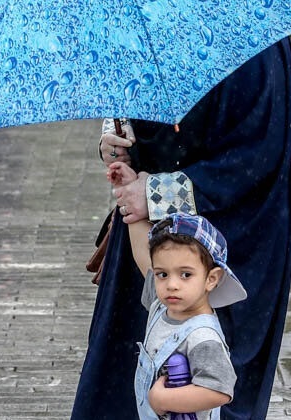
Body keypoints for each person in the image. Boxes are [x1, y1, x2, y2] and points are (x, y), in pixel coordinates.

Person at [73, 34, 291, 420]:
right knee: (123, 377)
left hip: (223, 241)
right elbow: (138, 110)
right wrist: (115, 141)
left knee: (205, 378)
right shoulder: (150, 18)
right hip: (144, 240)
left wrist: (156, 192)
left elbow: (257, 154)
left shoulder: (253, 39)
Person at [106, 168, 241, 420]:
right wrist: (130, 198)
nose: (172, 285)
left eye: (186, 274)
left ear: (211, 278)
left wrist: (163, 399)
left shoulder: (203, 336)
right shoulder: (161, 306)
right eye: (163, 274)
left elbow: (219, 390)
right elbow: (143, 256)